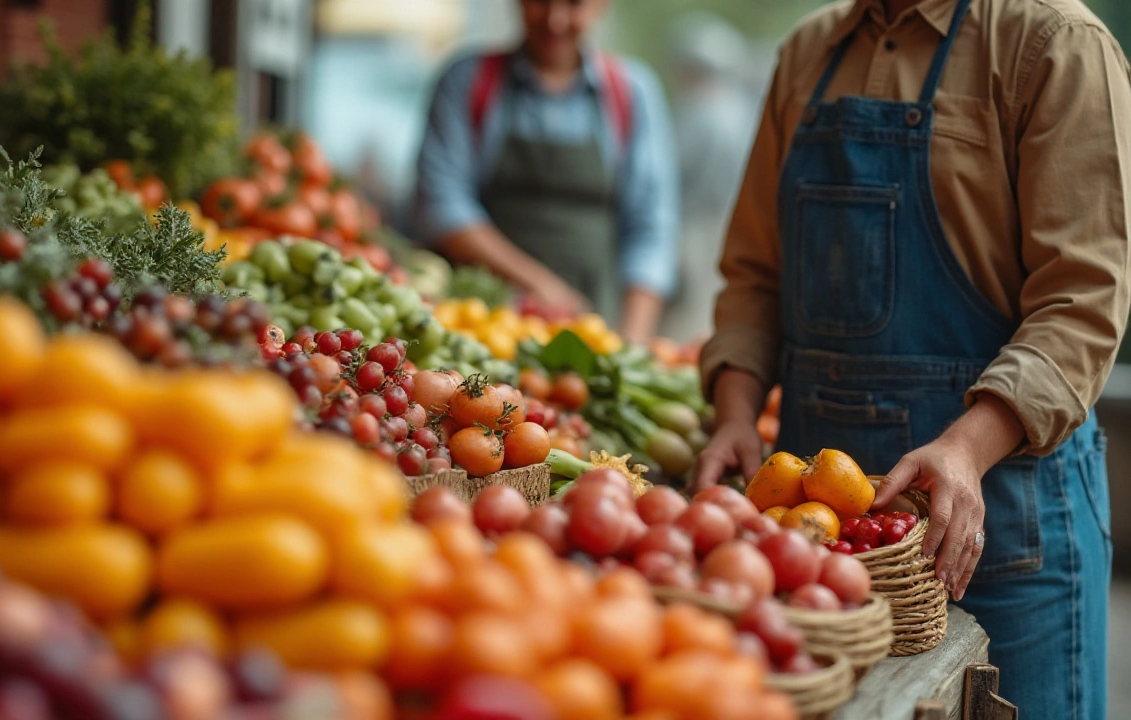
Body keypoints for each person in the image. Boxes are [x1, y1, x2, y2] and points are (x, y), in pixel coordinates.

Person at [692, 0, 1129, 716]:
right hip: (825, 542)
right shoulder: (807, 51)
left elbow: (1082, 302)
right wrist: (737, 414)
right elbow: (753, 277)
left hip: (1007, 531)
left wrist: (966, 447)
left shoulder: (1055, 43)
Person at [413, 0, 678, 344]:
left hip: (591, 331)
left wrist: (633, 342)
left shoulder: (631, 93)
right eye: (540, 1)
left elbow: (651, 229)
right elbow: (440, 203)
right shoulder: (469, 81)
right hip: (476, 331)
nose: (555, 19)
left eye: (574, 4)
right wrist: (540, 286)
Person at [659, 13, 762, 343]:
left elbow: (672, 174)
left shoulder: (700, 111)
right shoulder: (741, 111)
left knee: (684, 323)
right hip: (730, 229)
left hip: (691, 228)